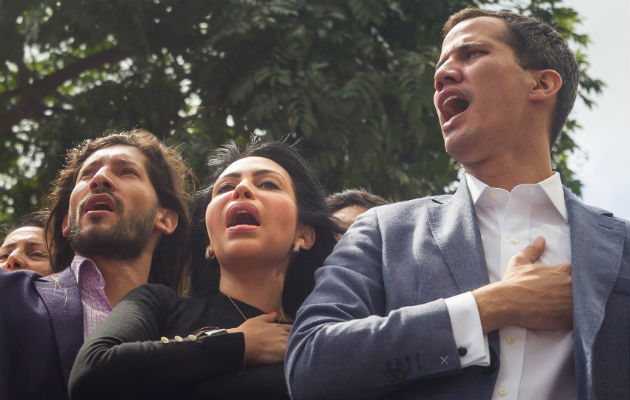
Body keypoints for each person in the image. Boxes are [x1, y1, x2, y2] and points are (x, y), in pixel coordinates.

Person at [286, 7, 629, 400]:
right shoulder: (383, 232)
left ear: (542, 84)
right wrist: (495, 304)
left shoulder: (621, 246)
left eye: (471, 54)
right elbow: (311, 365)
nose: (441, 74)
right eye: (441, 65)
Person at [68, 139, 340, 399]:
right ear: (208, 242)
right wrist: (237, 344)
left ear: (303, 235)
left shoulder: (319, 338)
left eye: (268, 184)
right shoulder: (159, 305)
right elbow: (92, 371)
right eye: (224, 188)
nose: (241, 190)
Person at [0, 129, 193, 400]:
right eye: (87, 174)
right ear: (67, 222)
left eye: (127, 172)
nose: (100, 179)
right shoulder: (8, 297)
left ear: (165, 219)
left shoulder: (195, 333)